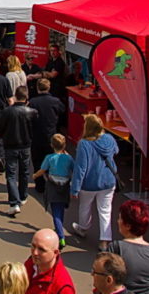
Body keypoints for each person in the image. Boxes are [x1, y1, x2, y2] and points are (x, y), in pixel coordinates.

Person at [70, 113, 119, 251]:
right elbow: (116, 151)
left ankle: (83, 228)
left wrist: (75, 188)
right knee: (105, 210)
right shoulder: (109, 139)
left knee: (85, 206)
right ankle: (105, 240)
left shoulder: (84, 144)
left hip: (89, 183)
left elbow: (80, 168)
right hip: (108, 180)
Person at [0, 86, 38, 215]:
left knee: (11, 175)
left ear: (15, 96)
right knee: (24, 172)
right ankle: (23, 196)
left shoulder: (7, 112)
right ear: (26, 97)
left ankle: (14, 202)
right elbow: (36, 128)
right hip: (25, 146)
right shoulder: (32, 112)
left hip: (11, 146)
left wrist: (2, 134)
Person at [108, 200, 149, 294]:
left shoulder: (116, 248)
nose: (118, 221)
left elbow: (105, 279)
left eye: (120, 218)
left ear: (128, 225)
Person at [33, 134, 74, 248]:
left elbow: (43, 170)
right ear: (64, 145)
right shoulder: (69, 158)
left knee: (55, 211)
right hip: (65, 185)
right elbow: (74, 168)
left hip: (53, 186)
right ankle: (59, 228)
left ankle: (61, 237)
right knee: (60, 209)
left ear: (51, 145)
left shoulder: (49, 158)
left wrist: (35, 175)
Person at [30, 78, 66, 194]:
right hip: (51, 136)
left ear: (37, 88)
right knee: (53, 162)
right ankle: (53, 184)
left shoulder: (33, 102)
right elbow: (62, 110)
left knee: (37, 161)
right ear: (49, 87)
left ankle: (40, 185)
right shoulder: (55, 101)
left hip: (36, 136)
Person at [25, 228, 76, 294]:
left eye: (41, 249)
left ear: (55, 253)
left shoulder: (63, 288)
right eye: (33, 246)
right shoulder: (31, 262)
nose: (35, 253)